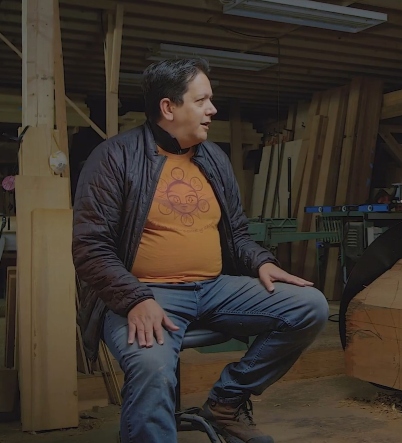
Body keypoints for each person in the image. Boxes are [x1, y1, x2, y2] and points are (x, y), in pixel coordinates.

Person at [73, 58, 329, 443]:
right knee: (152, 366)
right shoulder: (114, 158)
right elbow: (90, 246)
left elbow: (237, 233)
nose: (212, 110)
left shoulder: (213, 158)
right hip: (145, 293)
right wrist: (134, 299)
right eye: (202, 100)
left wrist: (260, 261)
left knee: (310, 307)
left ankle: (226, 402)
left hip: (212, 288)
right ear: (168, 107)